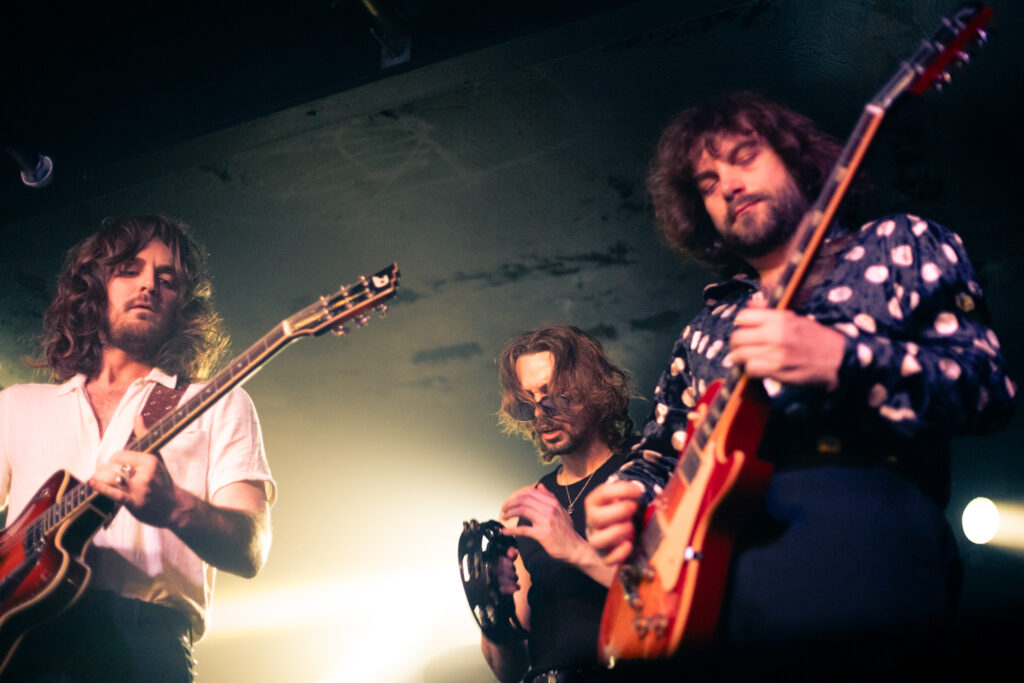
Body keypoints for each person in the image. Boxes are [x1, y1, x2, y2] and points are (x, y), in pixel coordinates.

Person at [584, 92, 1015, 659]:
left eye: (745, 157)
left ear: (796, 160)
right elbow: (661, 455)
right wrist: (625, 499)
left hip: (862, 534)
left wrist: (843, 360)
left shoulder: (896, 243)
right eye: (708, 183)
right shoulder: (704, 328)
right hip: (709, 582)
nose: (728, 185)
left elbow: (986, 385)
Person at [0, 215, 275, 681]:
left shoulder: (217, 402)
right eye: (130, 270)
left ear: (182, 305)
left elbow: (251, 551)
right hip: (23, 641)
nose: (149, 284)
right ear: (94, 288)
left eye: (167, 279)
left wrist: (175, 506)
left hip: (145, 643)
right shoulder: (16, 405)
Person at [480, 325, 636, 683]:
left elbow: (678, 602)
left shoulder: (644, 472)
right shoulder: (531, 505)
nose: (541, 412)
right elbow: (509, 671)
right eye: (528, 401)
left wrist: (575, 549)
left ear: (593, 389)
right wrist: (493, 608)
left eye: (553, 395)